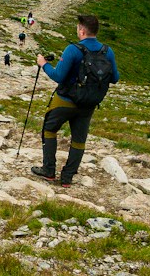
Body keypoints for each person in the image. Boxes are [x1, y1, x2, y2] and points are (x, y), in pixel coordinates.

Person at [32, 13, 119, 186]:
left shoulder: (73, 49)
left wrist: (43, 64)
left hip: (65, 100)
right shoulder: (107, 52)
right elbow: (115, 78)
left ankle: (49, 171)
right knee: (79, 140)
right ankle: (67, 178)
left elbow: (58, 76)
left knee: (49, 130)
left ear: (81, 30)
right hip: (89, 104)